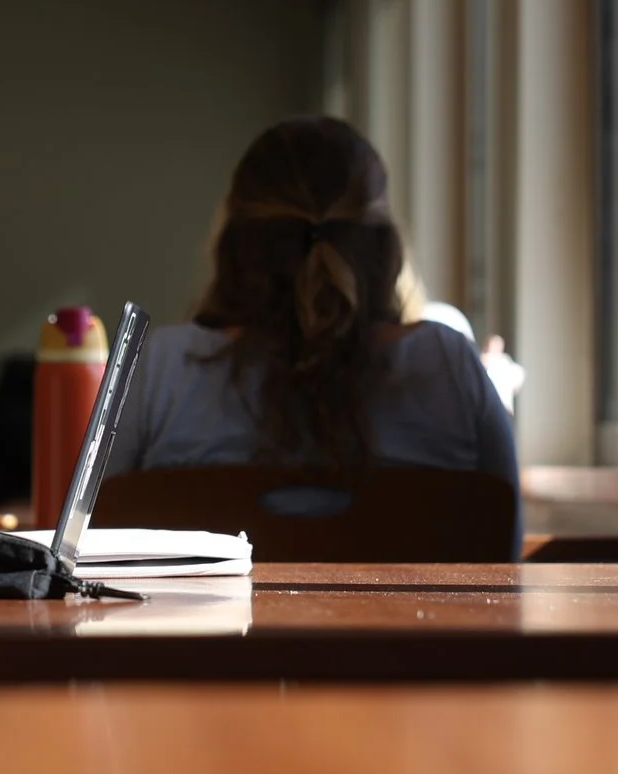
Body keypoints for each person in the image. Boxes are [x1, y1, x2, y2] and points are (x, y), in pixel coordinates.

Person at [106, 116, 519, 551]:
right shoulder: (448, 365)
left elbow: (85, 549)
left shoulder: (162, 367)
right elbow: (504, 548)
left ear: (235, 240)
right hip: (412, 622)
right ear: (383, 246)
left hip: (216, 623)